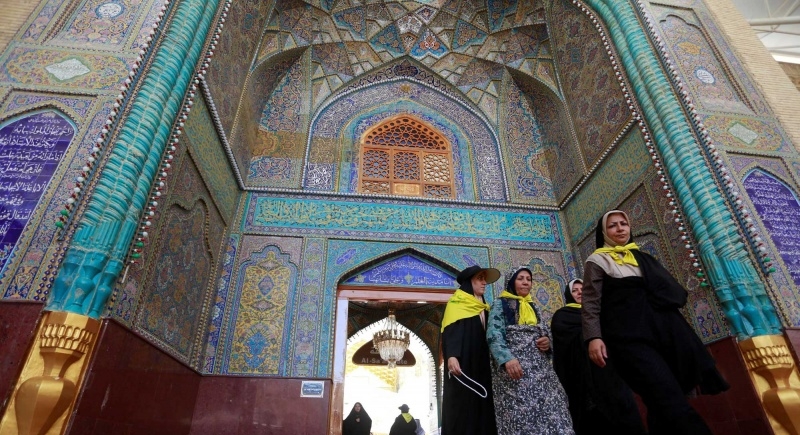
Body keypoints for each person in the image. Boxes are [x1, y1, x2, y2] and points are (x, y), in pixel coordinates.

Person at [583, 210, 730, 435]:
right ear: (603, 232)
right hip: (628, 341)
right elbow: (591, 302)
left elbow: (671, 293)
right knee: (668, 396)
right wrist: (594, 337)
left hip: (662, 336)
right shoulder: (597, 261)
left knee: (659, 403)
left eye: (624, 224)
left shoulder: (643, 259)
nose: (620, 228)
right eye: (612, 225)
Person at [486, 267, 574, 435]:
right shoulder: (500, 304)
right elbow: (494, 335)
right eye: (521, 278)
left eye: (529, 279)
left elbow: (544, 331)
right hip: (515, 373)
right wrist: (507, 359)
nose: (526, 282)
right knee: (520, 415)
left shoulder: (533, 305)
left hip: (540, 373)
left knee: (552, 409)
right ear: (511, 282)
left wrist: (547, 342)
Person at [551, 279, 645, 435]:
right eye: (575, 290)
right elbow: (564, 349)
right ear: (568, 294)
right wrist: (589, 337)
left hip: (609, 370)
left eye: (583, 289)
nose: (580, 292)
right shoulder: (563, 316)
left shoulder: (598, 313)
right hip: (583, 377)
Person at [440, 265, 499, 435]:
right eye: (480, 278)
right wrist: (452, 356)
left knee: (482, 407)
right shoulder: (456, 303)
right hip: (463, 364)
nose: (484, 283)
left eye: (484, 279)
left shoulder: (483, 306)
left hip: (482, 364)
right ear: (468, 282)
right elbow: (450, 331)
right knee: (463, 406)